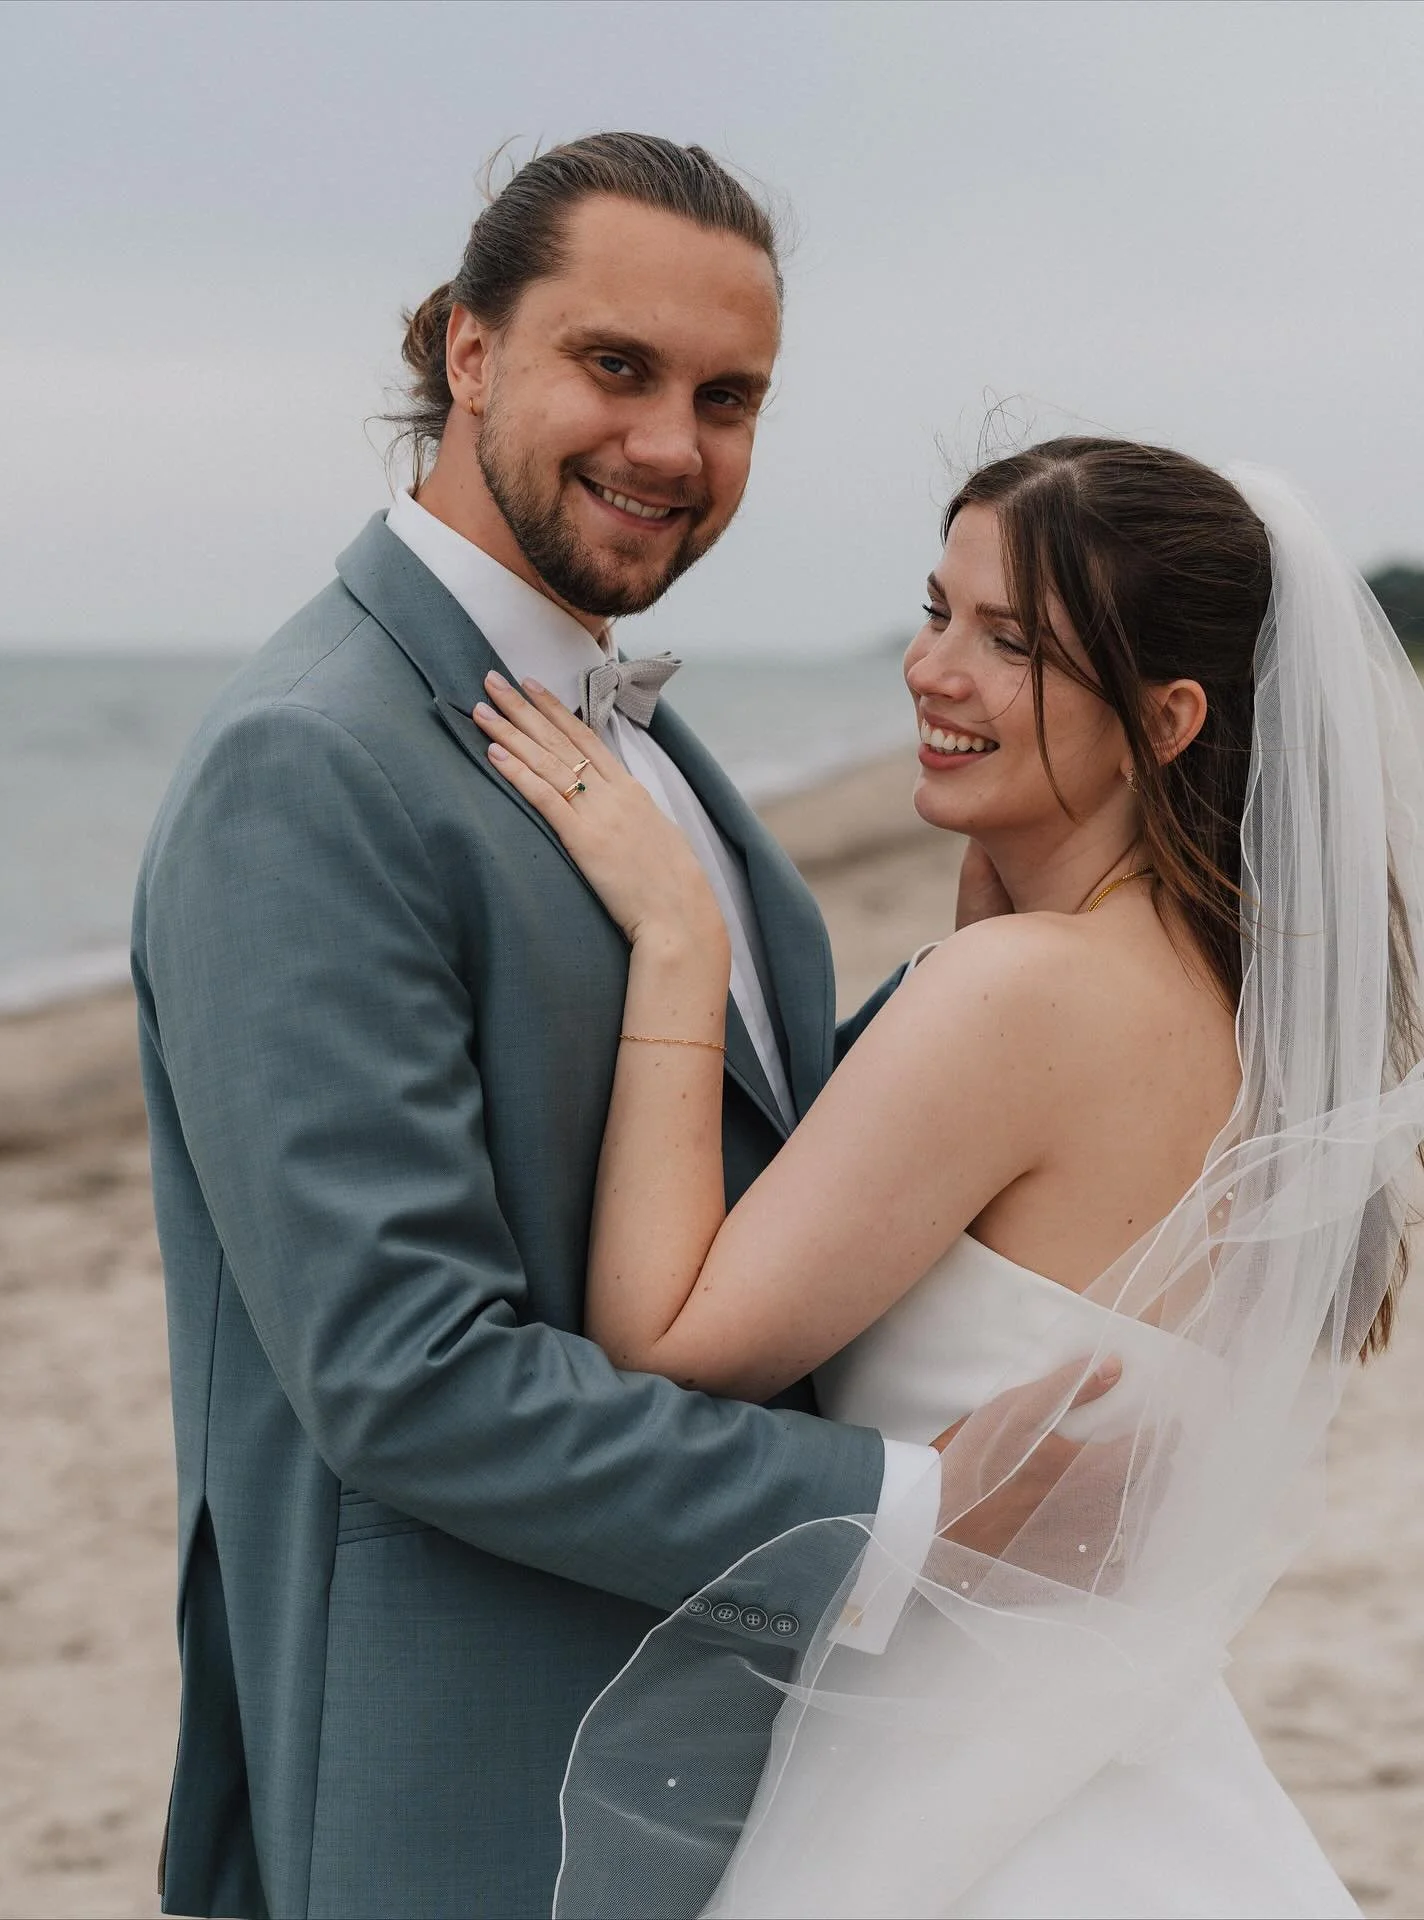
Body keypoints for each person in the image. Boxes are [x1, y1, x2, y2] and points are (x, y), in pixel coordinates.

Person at [133, 134, 1115, 1920]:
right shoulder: (314, 765)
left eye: (727, 395)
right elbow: (411, 1376)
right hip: (466, 1792)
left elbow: (767, 1139)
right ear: (469, 350)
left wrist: (1035, 946)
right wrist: (910, 1513)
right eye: (618, 366)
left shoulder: (635, 742)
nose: (674, 443)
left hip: (720, 1764)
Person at [475, 437, 1424, 1917]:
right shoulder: (1234, 996)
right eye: (938, 611)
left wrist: (679, 937)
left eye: (1014, 644)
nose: (934, 670)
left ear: (1167, 719)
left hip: (963, 1801)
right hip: (1120, 1763)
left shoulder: (1024, 994)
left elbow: (666, 1339)